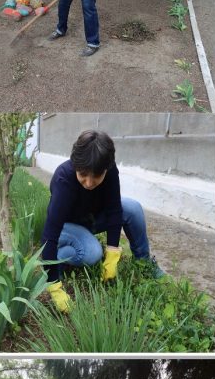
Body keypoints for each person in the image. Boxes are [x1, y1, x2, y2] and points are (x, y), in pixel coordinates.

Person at [41, 130, 164, 313]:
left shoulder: (111, 171)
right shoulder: (64, 178)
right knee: (92, 253)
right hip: (68, 226)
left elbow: (115, 211)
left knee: (133, 208)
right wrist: (54, 286)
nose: (89, 183)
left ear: (106, 169)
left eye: (96, 176)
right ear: (75, 165)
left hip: (92, 219)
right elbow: (50, 233)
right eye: (83, 174)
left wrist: (113, 254)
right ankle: (58, 260)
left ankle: (144, 263)